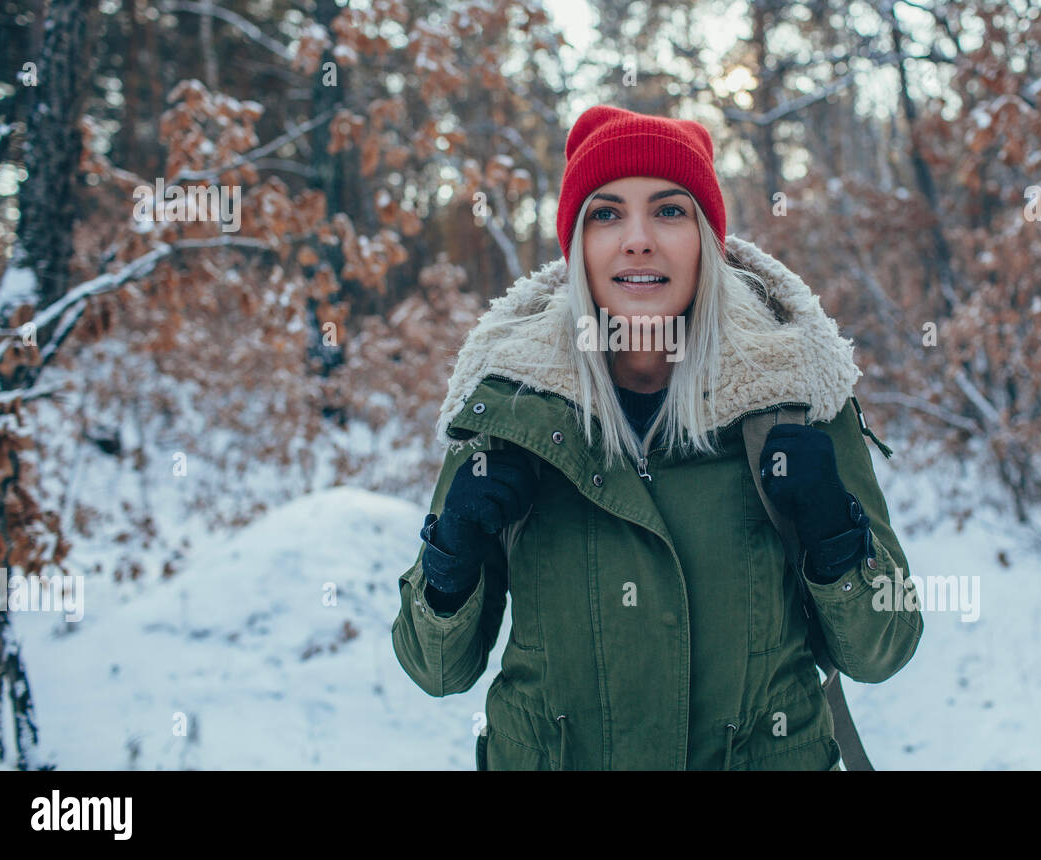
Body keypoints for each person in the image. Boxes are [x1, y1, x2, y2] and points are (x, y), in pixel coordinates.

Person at [391, 104, 922, 770]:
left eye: (670, 211)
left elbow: (884, 649)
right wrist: (451, 554)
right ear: (577, 245)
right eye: (606, 214)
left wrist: (834, 534)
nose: (637, 239)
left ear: (707, 238)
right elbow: (435, 669)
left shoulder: (794, 395)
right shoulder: (509, 405)